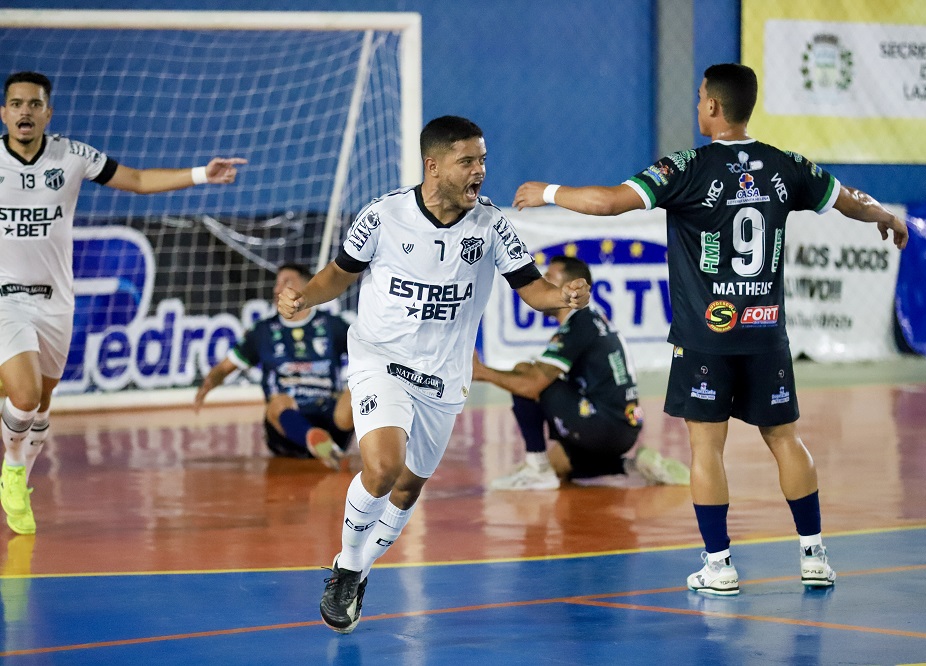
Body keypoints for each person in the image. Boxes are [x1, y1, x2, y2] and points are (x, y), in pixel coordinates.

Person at [513, 63, 908, 595]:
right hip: (767, 334)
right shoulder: (785, 164)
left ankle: (719, 565)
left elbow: (607, 203)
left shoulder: (687, 167)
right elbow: (848, 199)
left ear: (714, 107)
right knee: (785, 439)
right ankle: (814, 556)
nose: (698, 104)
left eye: (700, 97)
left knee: (707, 449)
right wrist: (887, 215)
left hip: (705, 340)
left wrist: (548, 191)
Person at [277, 115, 590, 634]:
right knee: (382, 468)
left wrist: (564, 298)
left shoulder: (490, 225)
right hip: (381, 359)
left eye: (483, 160)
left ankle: (355, 571)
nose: (480, 171)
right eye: (468, 161)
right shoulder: (383, 216)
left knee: (406, 489)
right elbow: (339, 274)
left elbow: (532, 288)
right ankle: (347, 567)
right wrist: (303, 297)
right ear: (434, 166)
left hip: (443, 377)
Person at [0, 71, 246, 536]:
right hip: (5, 297)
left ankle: (21, 474)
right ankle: (12, 470)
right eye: (16, 104)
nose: (25, 112)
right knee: (26, 394)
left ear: (47, 113)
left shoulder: (72, 155)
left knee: (44, 400)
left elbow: (135, 179)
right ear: (4, 112)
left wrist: (200, 174)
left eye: (34, 104)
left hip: (56, 299)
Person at [471, 254, 689, 490]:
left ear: (570, 287)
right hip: (623, 426)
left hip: (604, 425)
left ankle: (536, 468)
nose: (541, 283)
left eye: (548, 277)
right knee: (559, 466)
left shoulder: (579, 324)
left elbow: (531, 385)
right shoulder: (592, 319)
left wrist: (481, 372)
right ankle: (629, 466)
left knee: (525, 374)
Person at [194, 263, 354, 468]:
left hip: (330, 418)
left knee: (356, 391)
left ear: (307, 286)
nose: (277, 289)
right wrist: (209, 383)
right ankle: (314, 439)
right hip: (286, 427)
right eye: (276, 283)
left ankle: (382, 450)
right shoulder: (263, 331)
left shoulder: (332, 325)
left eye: (286, 282)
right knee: (277, 403)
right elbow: (225, 368)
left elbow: (368, 354)